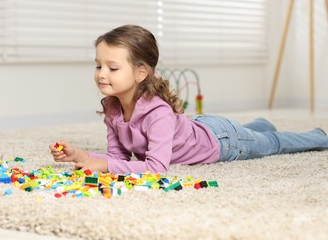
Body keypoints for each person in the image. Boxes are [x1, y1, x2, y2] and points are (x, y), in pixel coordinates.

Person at [49, 25, 328, 174]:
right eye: (98, 65)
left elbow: (156, 168)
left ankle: (319, 136)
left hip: (223, 142)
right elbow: (118, 158)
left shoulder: (157, 113)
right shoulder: (112, 108)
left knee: (273, 145)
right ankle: (260, 125)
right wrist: (83, 157)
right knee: (253, 133)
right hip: (203, 127)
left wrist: (106, 165)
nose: (101, 74)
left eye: (112, 67)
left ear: (141, 72)